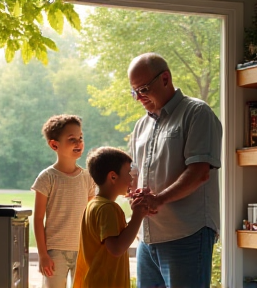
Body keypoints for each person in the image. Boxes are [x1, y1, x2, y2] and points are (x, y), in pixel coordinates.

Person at [127, 52, 223, 288]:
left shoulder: (197, 113)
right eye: (134, 92)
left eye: (144, 89)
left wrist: (158, 199)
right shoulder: (141, 125)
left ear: (165, 79)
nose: (139, 98)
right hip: (147, 240)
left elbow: (200, 171)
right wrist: (131, 192)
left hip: (187, 235)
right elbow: (134, 175)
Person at [31, 114, 96, 288]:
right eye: (72, 139)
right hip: (54, 253)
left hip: (82, 250)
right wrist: (43, 255)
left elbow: (92, 218)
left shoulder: (88, 178)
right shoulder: (46, 178)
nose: (78, 143)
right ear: (54, 145)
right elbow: (38, 219)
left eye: (80, 138)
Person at [72, 146, 151, 288]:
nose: (131, 178)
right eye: (128, 173)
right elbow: (116, 248)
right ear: (113, 177)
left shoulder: (94, 205)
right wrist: (137, 216)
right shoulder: (107, 208)